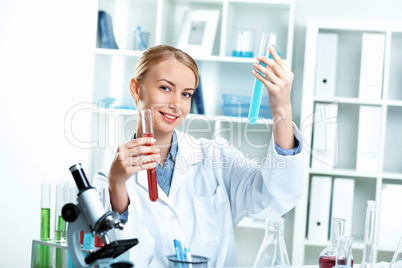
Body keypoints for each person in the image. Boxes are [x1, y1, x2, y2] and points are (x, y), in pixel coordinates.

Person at [93, 44, 303, 267]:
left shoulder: (216, 157)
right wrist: (117, 185)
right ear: (136, 89)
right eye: (165, 88)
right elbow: (119, 259)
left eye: (186, 94)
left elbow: (276, 197)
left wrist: (282, 110)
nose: (176, 104)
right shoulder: (106, 181)